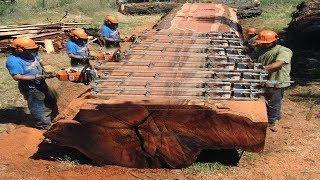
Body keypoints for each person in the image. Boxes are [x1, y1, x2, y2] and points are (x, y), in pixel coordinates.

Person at [6, 38, 58, 130]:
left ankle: (52, 118)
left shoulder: (31, 53)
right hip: (30, 87)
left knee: (50, 98)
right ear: (19, 49)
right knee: (38, 105)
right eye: (31, 50)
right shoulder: (13, 61)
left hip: (40, 82)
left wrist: (48, 69)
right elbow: (16, 77)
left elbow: (41, 61)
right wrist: (36, 77)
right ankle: (43, 125)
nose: (34, 52)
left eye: (34, 50)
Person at [253, 30, 292, 132]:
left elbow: (280, 63)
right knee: (263, 99)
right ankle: (276, 115)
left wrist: (265, 68)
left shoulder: (284, 51)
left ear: (273, 41)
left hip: (277, 79)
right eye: (261, 43)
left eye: (265, 43)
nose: (263, 44)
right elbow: (252, 58)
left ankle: (271, 122)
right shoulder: (260, 50)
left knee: (274, 101)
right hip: (263, 80)